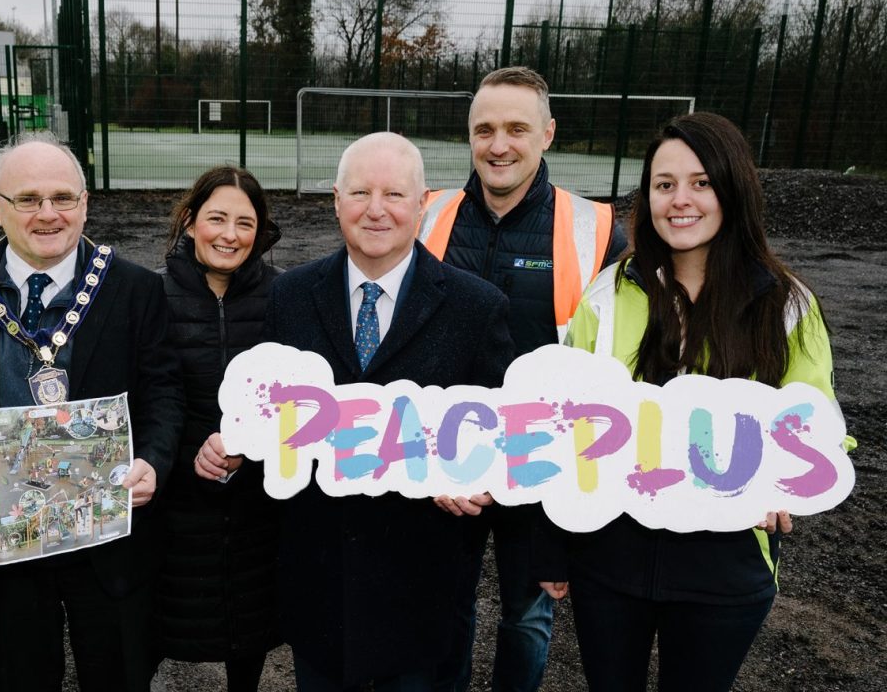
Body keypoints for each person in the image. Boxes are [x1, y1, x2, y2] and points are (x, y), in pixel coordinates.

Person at [546, 112, 849, 691]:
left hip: (726, 565)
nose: (679, 200)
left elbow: (818, 423)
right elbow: (564, 415)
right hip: (611, 558)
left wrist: (785, 487)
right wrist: (553, 544)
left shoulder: (787, 304)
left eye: (701, 182)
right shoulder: (608, 292)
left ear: (733, 188)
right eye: (664, 184)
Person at [220, 131, 515, 690]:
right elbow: (272, 419)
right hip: (319, 587)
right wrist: (237, 442)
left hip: (421, 592)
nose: (375, 209)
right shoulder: (290, 297)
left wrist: (485, 482)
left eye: (394, 194)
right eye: (360, 192)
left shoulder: (477, 308)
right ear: (337, 201)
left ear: (422, 203)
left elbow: (502, 441)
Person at [0, 131, 183, 692]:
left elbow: (164, 390)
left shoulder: (135, 287)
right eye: (28, 199)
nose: (48, 214)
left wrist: (154, 460)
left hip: (108, 534)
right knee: (22, 677)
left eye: (63, 197)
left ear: (84, 204)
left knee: (117, 676)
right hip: (5, 535)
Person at [418, 66, 628, 691]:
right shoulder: (427, 215)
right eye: (484, 130)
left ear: (548, 134)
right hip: (446, 453)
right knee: (441, 602)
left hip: (543, 458)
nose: (499, 145)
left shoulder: (597, 231)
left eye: (516, 128)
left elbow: (618, 355)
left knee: (529, 614)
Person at [151, 165, 284, 691]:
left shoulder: (284, 295)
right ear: (189, 221)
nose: (230, 235)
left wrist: (249, 445)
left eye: (245, 223)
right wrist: (186, 454)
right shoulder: (150, 296)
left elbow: (297, 396)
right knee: (158, 623)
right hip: (175, 501)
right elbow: (148, 395)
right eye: (217, 219)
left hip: (255, 502)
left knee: (249, 629)